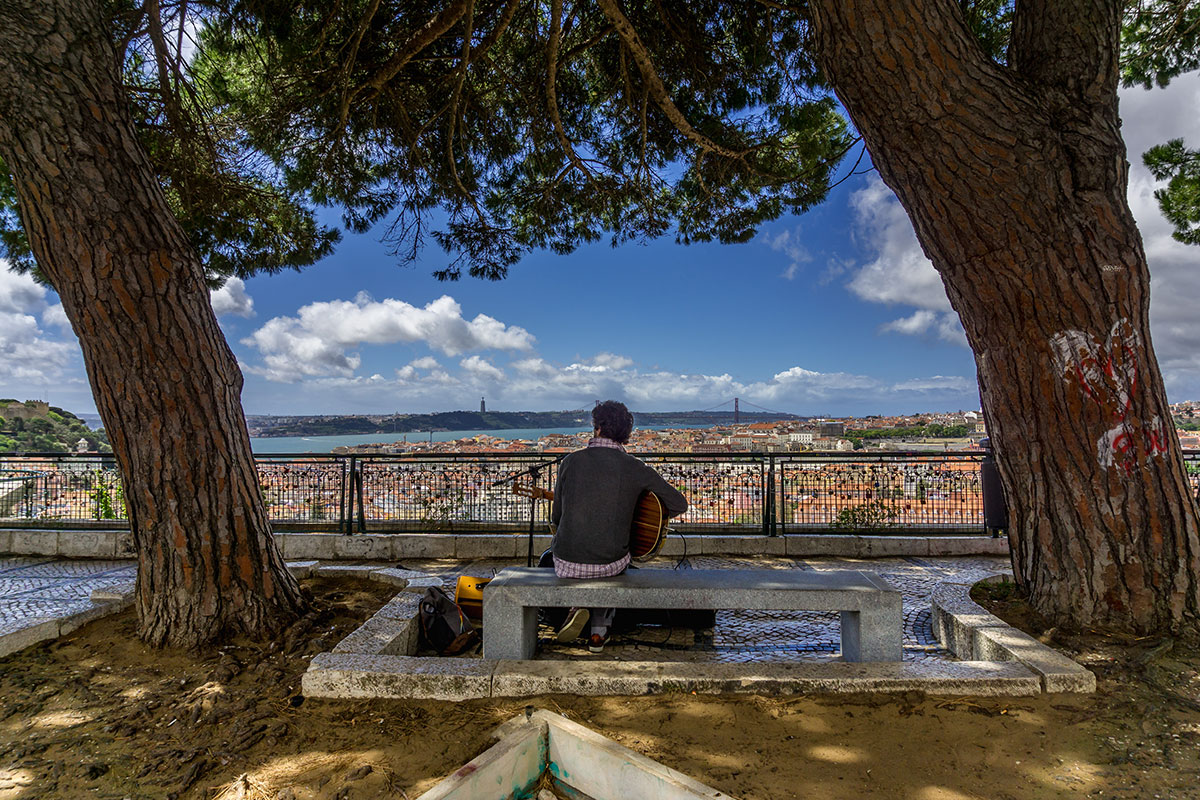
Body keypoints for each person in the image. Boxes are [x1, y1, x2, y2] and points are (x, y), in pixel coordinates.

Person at [549, 400, 688, 652]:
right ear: (626, 434)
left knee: (576, 555)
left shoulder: (569, 462)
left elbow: (556, 518)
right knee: (612, 560)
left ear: (597, 428)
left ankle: (577, 606)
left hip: (566, 562)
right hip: (609, 562)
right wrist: (635, 514)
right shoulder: (634, 467)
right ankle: (598, 633)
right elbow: (679, 504)